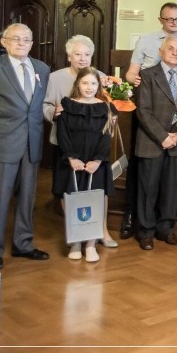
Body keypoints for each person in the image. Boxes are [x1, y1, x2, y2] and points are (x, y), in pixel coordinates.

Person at [0, 23, 51, 270]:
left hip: (31, 143)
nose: (21, 43)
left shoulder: (42, 69)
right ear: (4, 42)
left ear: (32, 43)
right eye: (15, 39)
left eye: (26, 39)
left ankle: (23, 244)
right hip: (1, 143)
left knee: (27, 198)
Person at [44, 35, 117, 248]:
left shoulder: (101, 77)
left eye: (87, 54)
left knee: (97, 189)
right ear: (69, 56)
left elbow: (109, 110)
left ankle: (100, 230)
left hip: (95, 147)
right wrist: (55, 113)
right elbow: (46, 105)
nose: (82, 58)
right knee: (68, 189)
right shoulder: (55, 78)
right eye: (77, 54)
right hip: (66, 145)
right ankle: (76, 232)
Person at [134, 35, 177, 250]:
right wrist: (163, 137)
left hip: (176, 143)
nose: (175, 52)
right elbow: (144, 111)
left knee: (170, 190)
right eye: (171, 49)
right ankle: (146, 232)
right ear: (161, 51)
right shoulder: (147, 75)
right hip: (152, 142)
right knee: (148, 189)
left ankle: (166, 229)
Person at [56, 67, 118, 263]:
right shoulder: (67, 106)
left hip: (96, 162)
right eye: (85, 83)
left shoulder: (106, 107)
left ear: (98, 85)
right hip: (73, 161)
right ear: (78, 84)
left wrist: (98, 160)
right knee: (73, 200)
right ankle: (75, 242)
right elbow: (62, 134)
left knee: (94, 202)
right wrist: (72, 158)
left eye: (93, 83)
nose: (89, 87)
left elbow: (107, 136)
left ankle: (91, 244)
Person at [125, 2, 177, 87]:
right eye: (170, 19)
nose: (174, 23)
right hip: (149, 88)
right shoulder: (145, 41)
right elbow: (132, 73)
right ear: (160, 20)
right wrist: (134, 79)